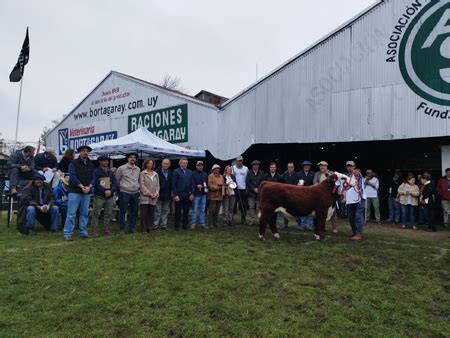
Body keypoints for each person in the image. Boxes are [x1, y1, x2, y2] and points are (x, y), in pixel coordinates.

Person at [63, 145, 94, 241]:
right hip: (75, 191)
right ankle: (68, 232)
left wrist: (89, 186)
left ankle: (83, 232)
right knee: (71, 213)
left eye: (87, 151)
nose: (85, 152)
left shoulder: (91, 164)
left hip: (87, 191)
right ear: (80, 152)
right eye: (83, 151)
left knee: (84, 213)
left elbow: (93, 177)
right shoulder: (73, 163)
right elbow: (72, 176)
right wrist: (81, 186)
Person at [115, 153, 141, 234]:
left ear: (136, 159)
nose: (132, 159)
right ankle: (122, 228)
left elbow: (139, 180)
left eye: (134, 157)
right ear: (127, 159)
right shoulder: (121, 168)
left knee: (134, 211)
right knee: (123, 211)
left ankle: (132, 228)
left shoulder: (138, 169)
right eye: (131, 157)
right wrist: (121, 189)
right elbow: (117, 180)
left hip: (135, 193)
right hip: (125, 192)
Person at [91, 155, 117, 236]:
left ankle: (107, 230)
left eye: (107, 160)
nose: (106, 162)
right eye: (104, 161)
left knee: (108, 213)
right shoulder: (96, 172)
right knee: (96, 213)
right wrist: (104, 191)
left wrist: (111, 191)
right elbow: (95, 183)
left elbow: (115, 183)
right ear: (100, 162)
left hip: (110, 195)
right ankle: (94, 230)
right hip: (99, 195)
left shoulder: (111, 172)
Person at [343, 161, 365, 241]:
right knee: (351, 217)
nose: (349, 167)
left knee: (358, 216)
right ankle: (355, 232)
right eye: (348, 166)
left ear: (354, 166)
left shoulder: (357, 173)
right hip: (350, 199)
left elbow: (357, 177)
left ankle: (359, 234)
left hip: (359, 198)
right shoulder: (346, 176)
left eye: (351, 166)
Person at [313, 161, 338, 233]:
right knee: (320, 213)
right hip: (319, 197)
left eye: (323, 166)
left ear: (326, 166)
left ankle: (334, 228)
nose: (321, 167)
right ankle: (321, 228)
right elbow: (315, 183)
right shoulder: (317, 174)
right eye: (320, 166)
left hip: (330, 196)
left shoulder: (332, 174)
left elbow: (336, 184)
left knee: (333, 212)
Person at [172, 157, 194, 231]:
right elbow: (173, 184)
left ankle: (185, 226)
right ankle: (177, 226)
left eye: (186, 163)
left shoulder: (190, 172)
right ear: (180, 163)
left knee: (186, 211)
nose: (185, 164)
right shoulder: (176, 171)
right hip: (179, 195)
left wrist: (192, 193)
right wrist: (175, 195)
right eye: (183, 163)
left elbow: (192, 183)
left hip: (187, 195)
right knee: (178, 211)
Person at [139, 158, 159, 233]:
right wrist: (149, 194)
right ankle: (143, 229)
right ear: (145, 164)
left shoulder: (155, 174)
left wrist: (156, 194)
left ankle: (150, 228)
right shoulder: (142, 173)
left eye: (151, 163)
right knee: (144, 214)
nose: (150, 165)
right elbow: (142, 185)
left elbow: (158, 186)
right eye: (148, 163)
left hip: (153, 197)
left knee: (151, 214)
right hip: (145, 197)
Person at [154, 158, 172, 230]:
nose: (165, 165)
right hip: (159, 194)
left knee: (165, 211)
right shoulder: (157, 172)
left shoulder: (171, 173)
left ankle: (163, 225)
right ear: (162, 164)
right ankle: (155, 225)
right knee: (157, 211)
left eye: (167, 164)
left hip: (167, 194)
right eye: (164, 163)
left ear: (169, 165)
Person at [297, 160, 315, 230]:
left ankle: (311, 225)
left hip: (311, 194)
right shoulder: (298, 174)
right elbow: (296, 182)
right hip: (301, 194)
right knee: (302, 210)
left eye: (308, 165)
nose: (307, 166)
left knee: (311, 210)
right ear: (303, 166)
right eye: (305, 165)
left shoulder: (313, 174)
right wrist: (298, 184)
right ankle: (302, 225)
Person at [280, 162, 299, 228]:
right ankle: (285, 224)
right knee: (286, 211)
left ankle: (299, 224)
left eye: (291, 167)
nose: (290, 168)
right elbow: (281, 184)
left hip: (295, 195)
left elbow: (299, 184)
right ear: (287, 167)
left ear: (293, 167)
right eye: (289, 167)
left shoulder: (297, 175)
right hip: (286, 196)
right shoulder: (284, 175)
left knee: (297, 210)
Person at [246, 160, 264, 225]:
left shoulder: (261, 173)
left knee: (259, 208)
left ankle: (260, 220)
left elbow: (262, 181)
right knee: (251, 207)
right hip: (251, 193)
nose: (256, 166)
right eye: (254, 165)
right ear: (252, 166)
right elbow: (248, 182)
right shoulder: (249, 173)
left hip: (259, 193)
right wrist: (253, 188)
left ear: (258, 166)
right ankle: (252, 220)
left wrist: (258, 188)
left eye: (257, 165)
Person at [191, 160, 208, 229]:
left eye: (201, 165)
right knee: (194, 209)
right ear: (196, 166)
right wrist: (196, 186)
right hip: (196, 194)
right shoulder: (193, 174)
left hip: (203, 194)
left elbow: (206, 183)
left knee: (202, 209)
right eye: (199, 165)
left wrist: (205, 187)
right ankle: (193, 223)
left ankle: (202, 222)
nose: (200, 167)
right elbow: (191, 183)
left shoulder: (205, 174)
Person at [232, 156, 249, 224]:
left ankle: (243, 218)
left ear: (242, 161)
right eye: (238, 161)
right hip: (235, 189)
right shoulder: (233, 168)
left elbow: (247, 179)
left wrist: (247, 188)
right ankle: (231, 217)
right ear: (236, 161)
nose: (239, 162)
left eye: (241, 161)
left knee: (243, 205)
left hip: (243, 189)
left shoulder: (246, 168)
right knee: (233, 204)